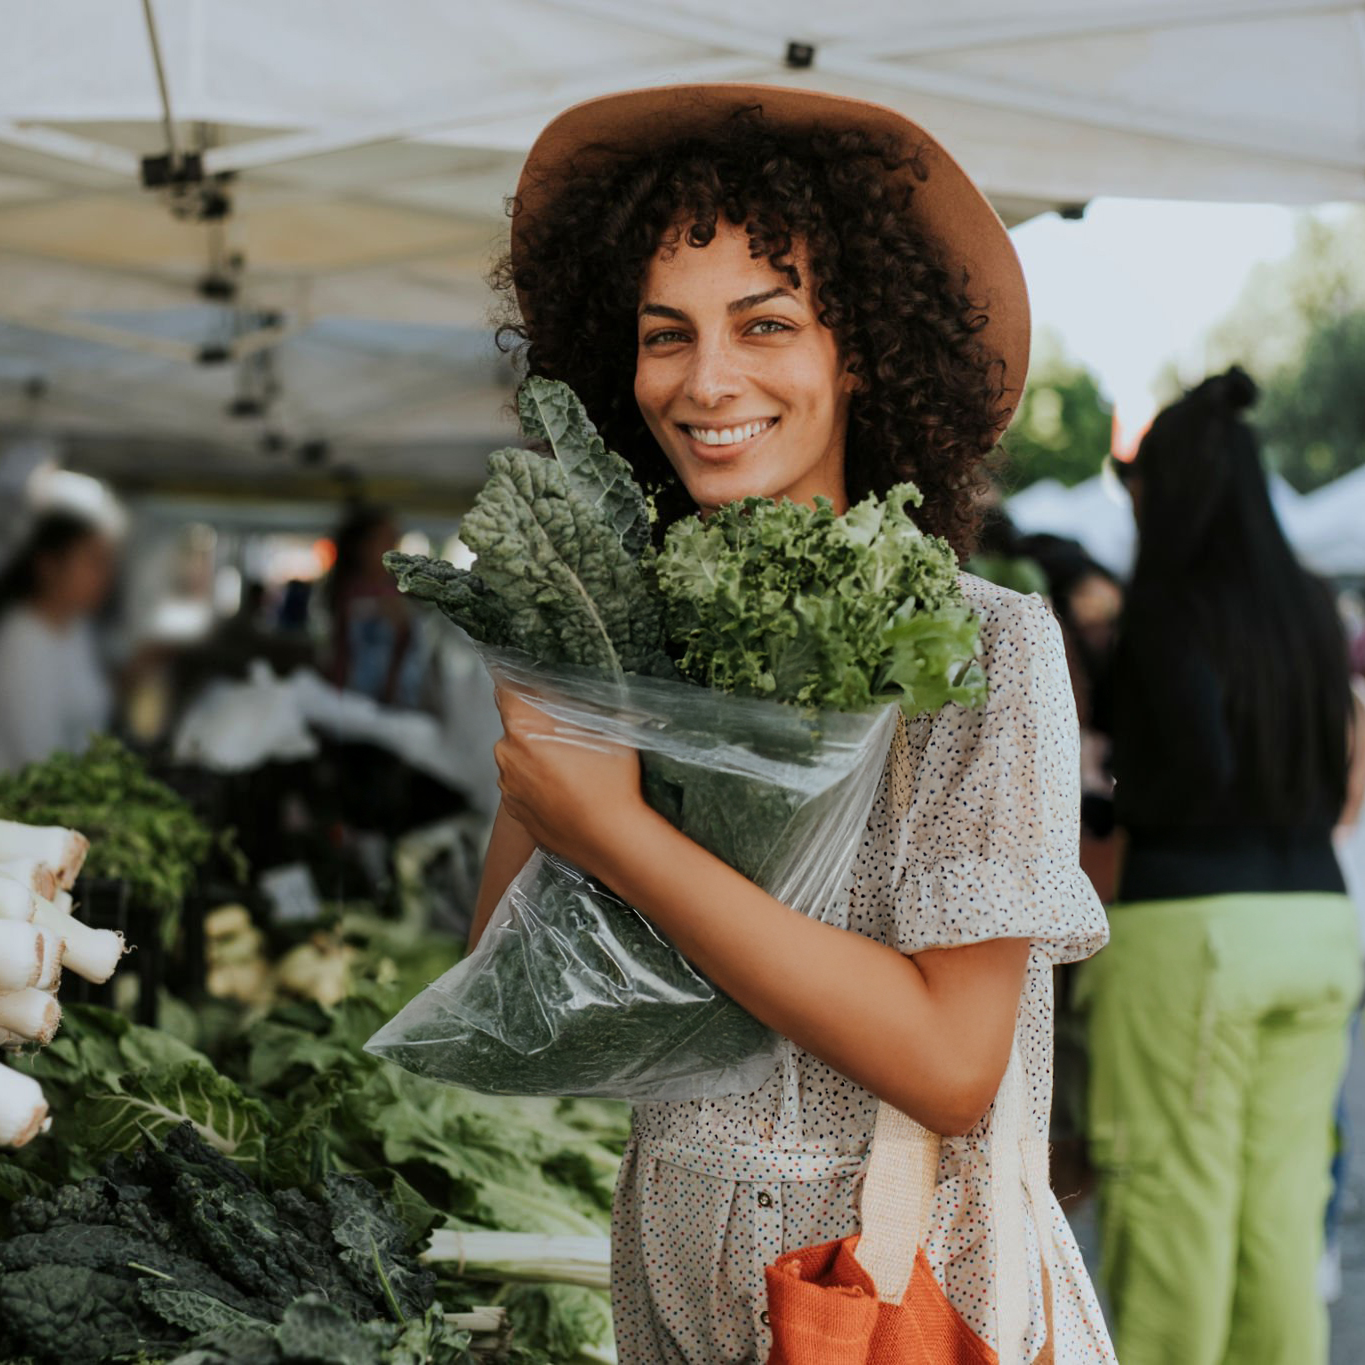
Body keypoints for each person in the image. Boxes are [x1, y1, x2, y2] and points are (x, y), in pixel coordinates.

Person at [469, 84, 1115, 1363]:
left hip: (898, 1304)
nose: (706, 381)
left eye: (767, 325)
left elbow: (948, 1062)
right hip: (672, 1293)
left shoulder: (985, 647)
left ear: (860, 347)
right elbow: (521, 999)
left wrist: (616, 829)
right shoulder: (632, 642)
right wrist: (566, 720)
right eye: (666, 336)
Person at [1077, 368, 1362, 1365]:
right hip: (1318, 928)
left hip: (1196, 936)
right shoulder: (1311, 610)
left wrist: (1102, 801)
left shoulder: (1168, 610)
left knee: (1172, 1207)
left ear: (1176, 487)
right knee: (1282, 1212)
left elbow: (1189, 771)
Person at [0, 509, 117, 773]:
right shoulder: (23, 643)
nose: (105, 577)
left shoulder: (78, 629)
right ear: (48, 567)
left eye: (107, 563)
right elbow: (36, 758)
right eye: (93, 562)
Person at [322, 505, 420, 706]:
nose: (393, 549)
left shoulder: (397, 593)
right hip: (356, 704)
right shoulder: (353, 595)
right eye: (385, 540)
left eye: (394, 541)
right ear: (362, 548)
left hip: (385, 703)